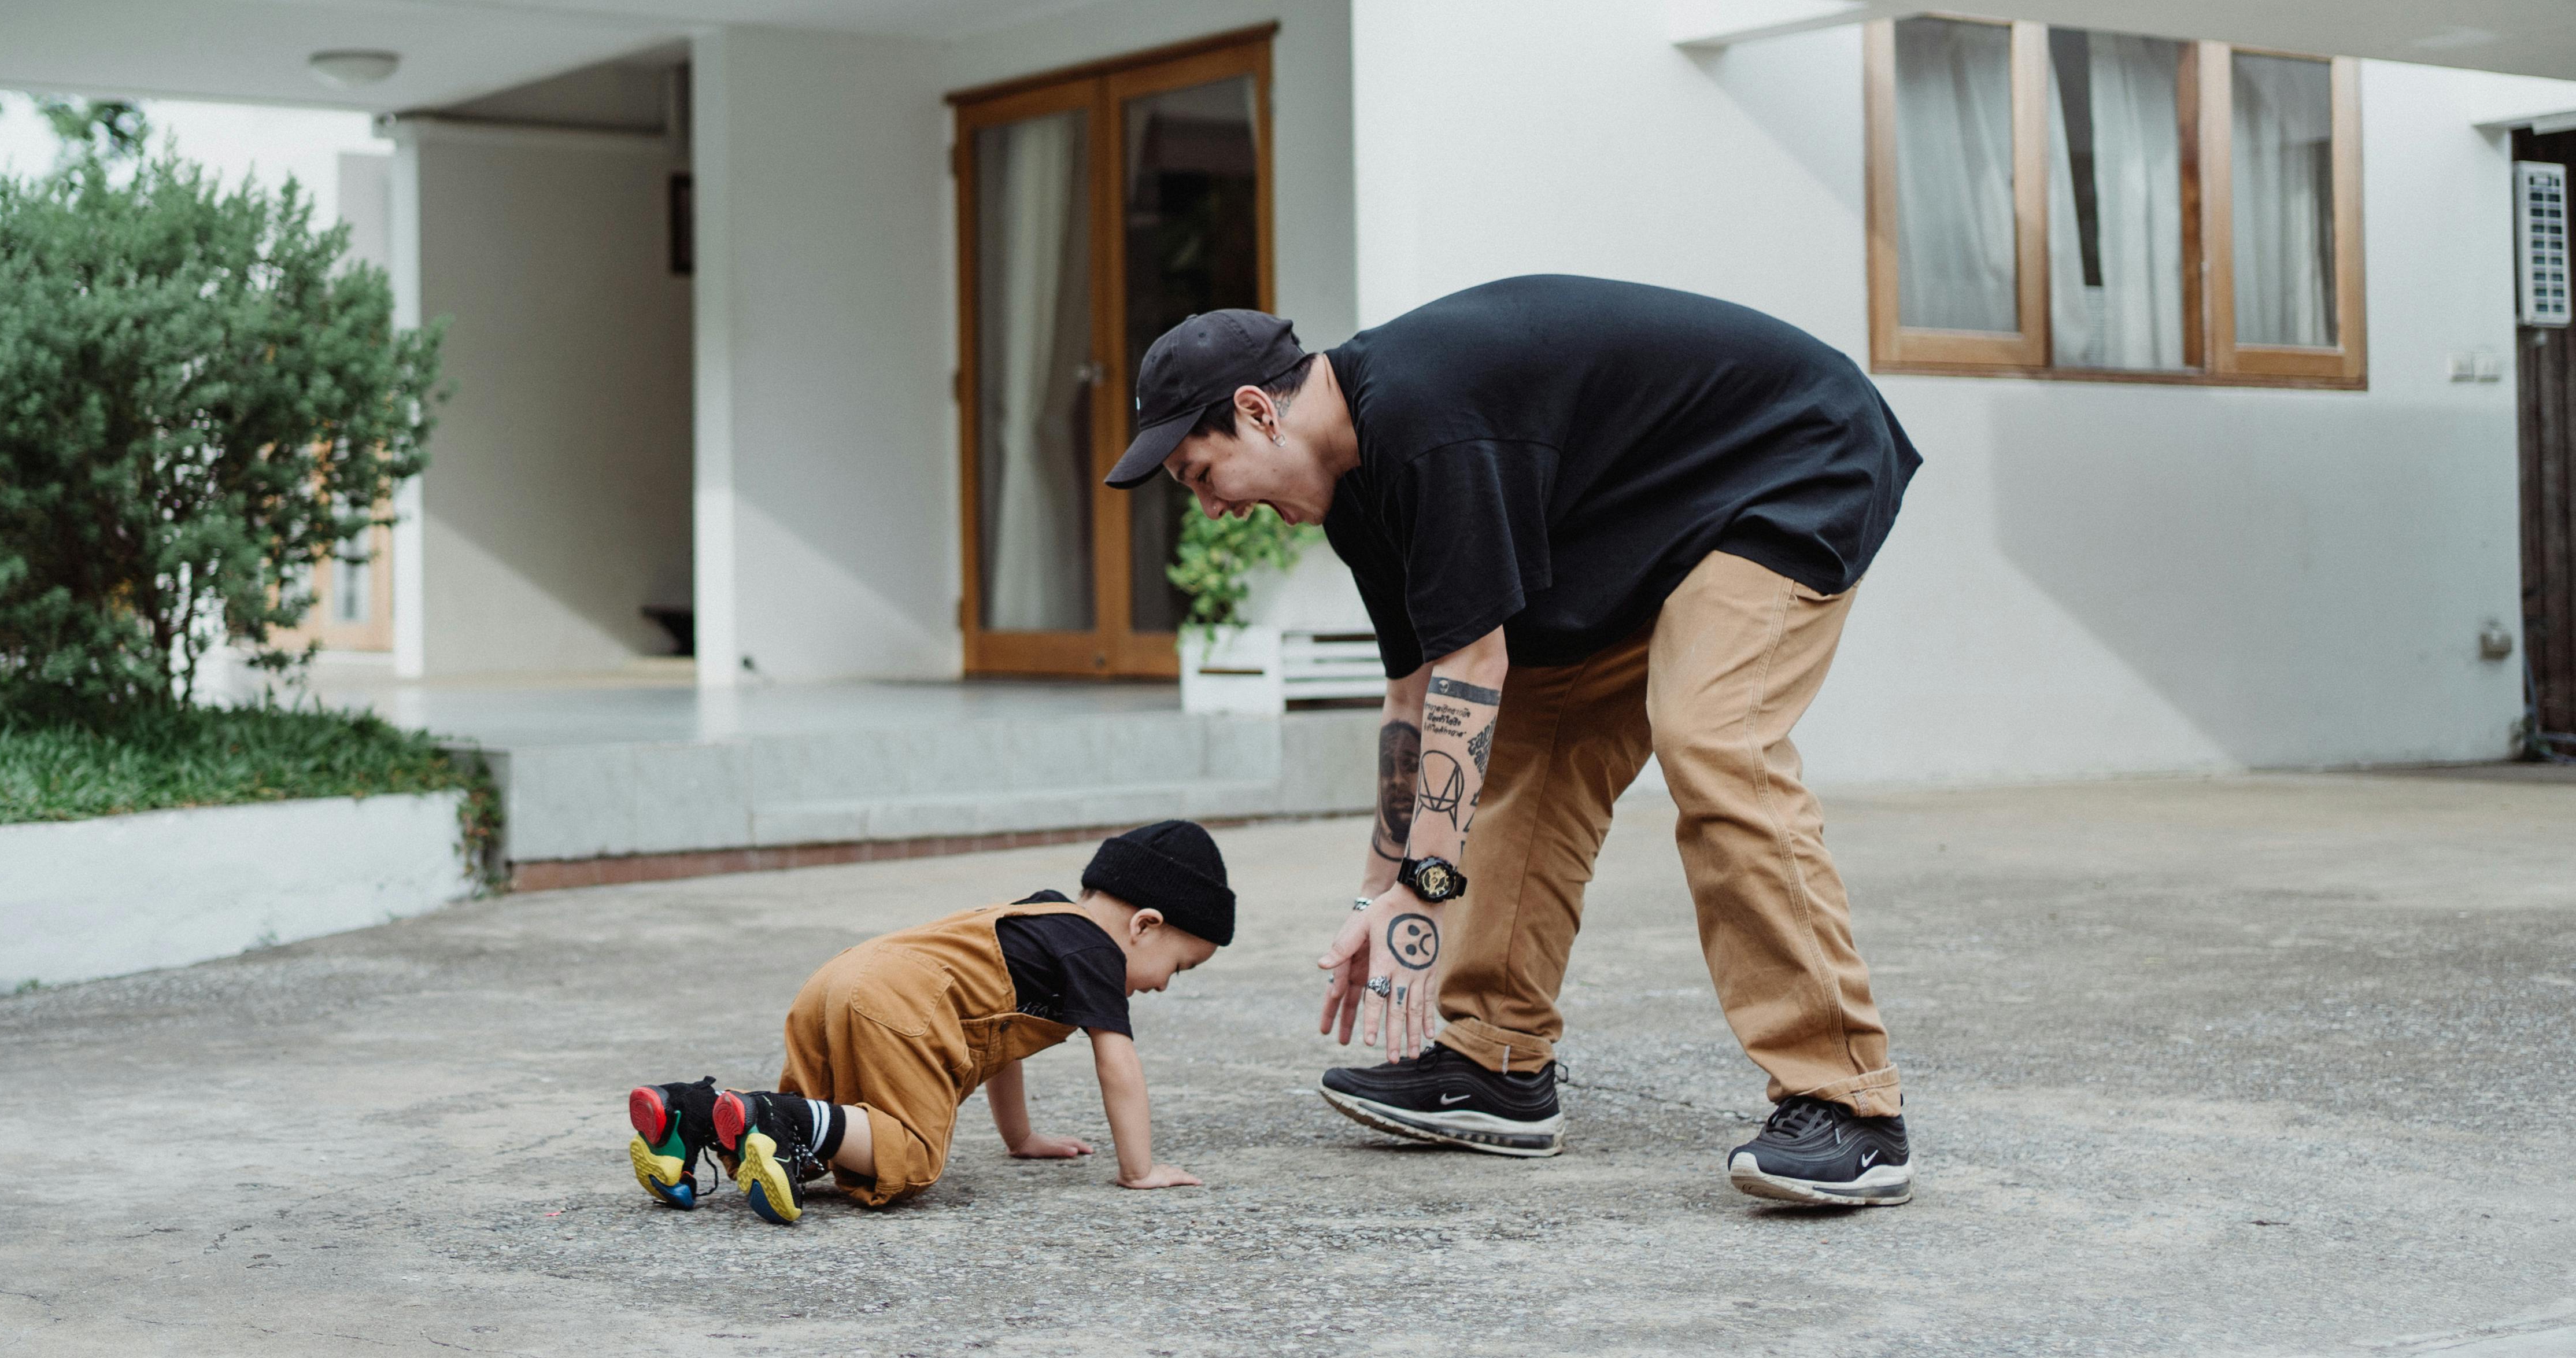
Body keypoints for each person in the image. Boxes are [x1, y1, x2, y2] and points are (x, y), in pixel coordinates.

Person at [1108, 280, 1922, 1208]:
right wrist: (1380, 894)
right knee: (1535, 754)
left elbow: (1473, 668)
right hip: (1642, 522)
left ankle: (1853, 1105)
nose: (1212, 508)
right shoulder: (1358, 490)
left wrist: (1426, 890)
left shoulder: (1423, 416)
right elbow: (1415, 693)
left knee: (1712, 738)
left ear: (1257, 412)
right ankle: (1496, 1060)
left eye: (1202, 476)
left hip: (1790, 460)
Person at [626, 820, 1231, 1223]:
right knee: (910, 1155)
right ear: (1145, 926)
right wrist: (1140, 1169)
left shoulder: (1044, 922)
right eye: (1179, 966)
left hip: (840, 977)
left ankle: (689, 1115)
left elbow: (1005, 1039)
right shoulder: (1096, 951)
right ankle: (775, 1116)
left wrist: (1019, 1138)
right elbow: (1118, 1062)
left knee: (812, 1139)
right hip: (902, 1001)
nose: (1160, 985)